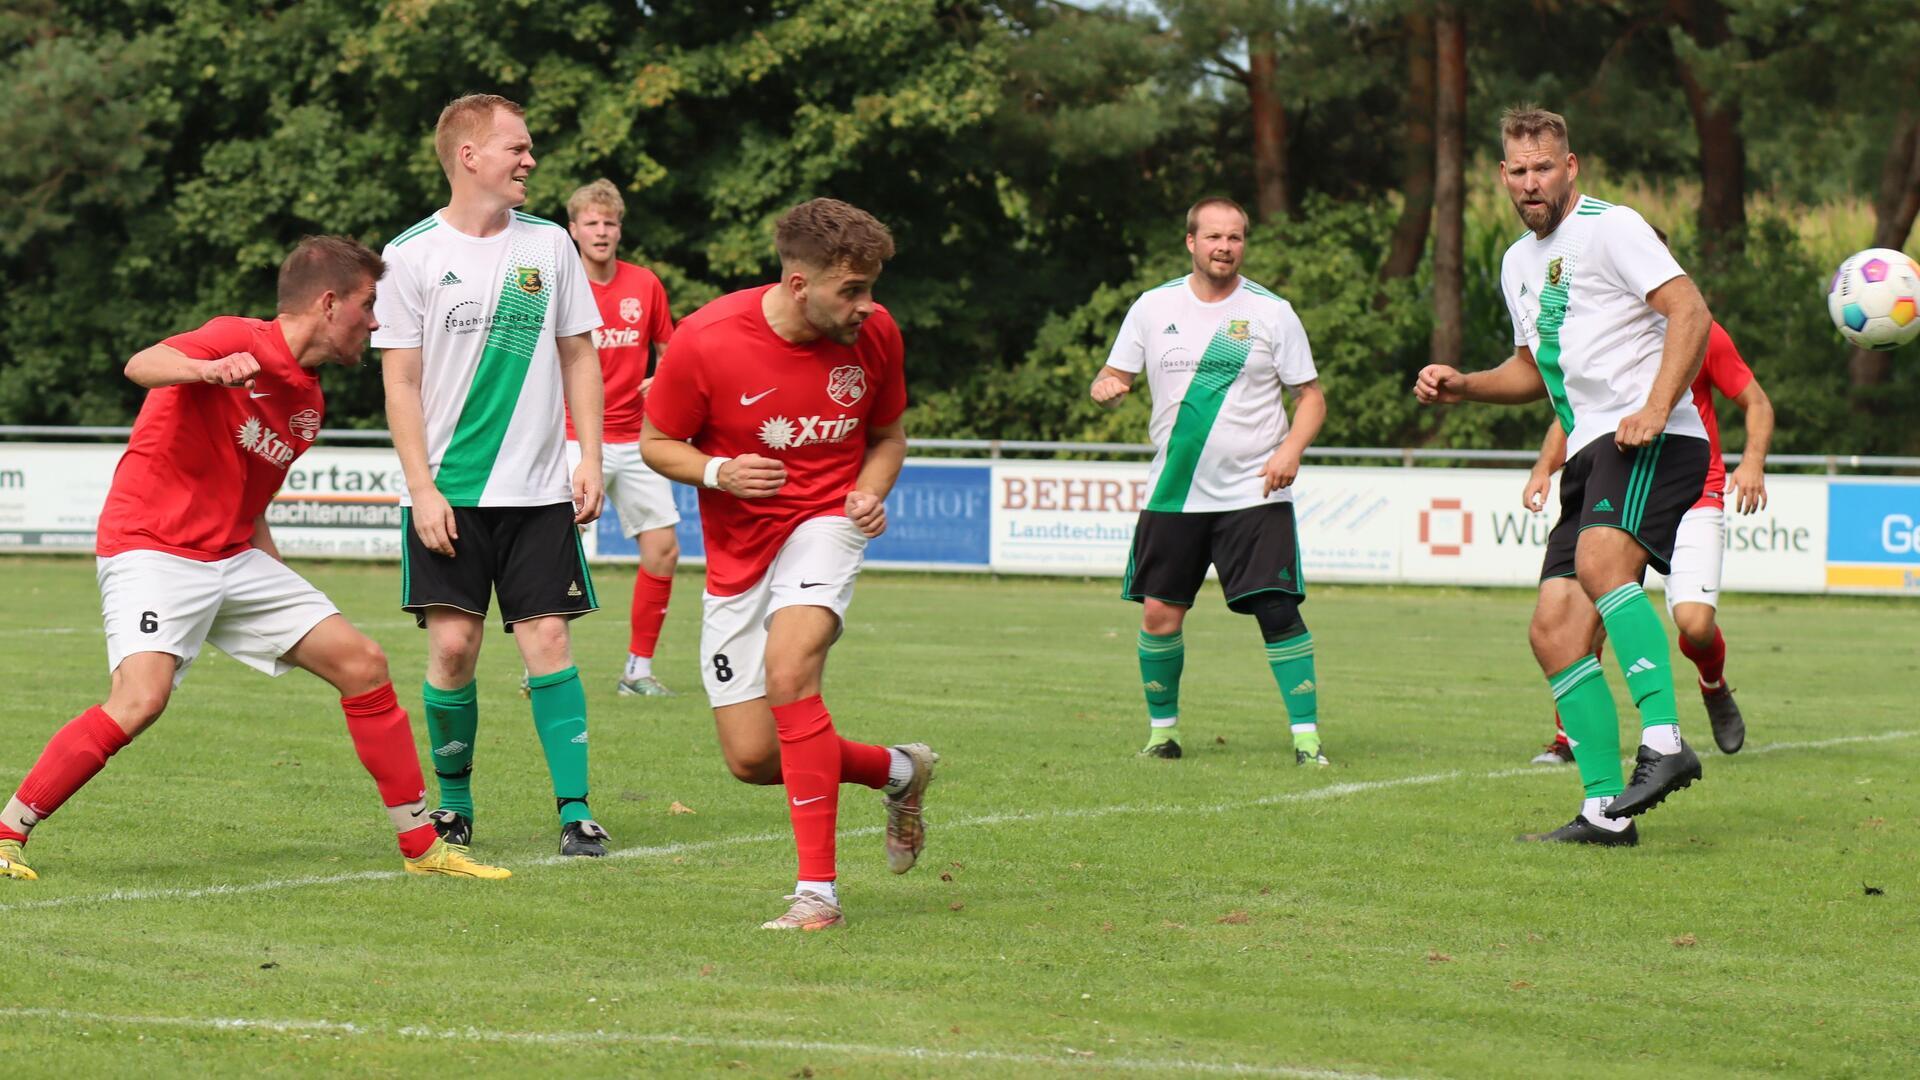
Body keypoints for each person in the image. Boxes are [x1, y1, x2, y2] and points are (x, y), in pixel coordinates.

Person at [0, 236, 507, 882]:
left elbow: (251, 498)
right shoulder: (236, 338)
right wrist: (206, 370)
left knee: (363, 663)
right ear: (329, 304)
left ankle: (422, 849)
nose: (375, 322)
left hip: (233, 556)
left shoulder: (309, 404)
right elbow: (142, 364)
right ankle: (6, 831)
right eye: (368, 304)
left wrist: (283, 588)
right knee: (139, 700)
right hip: (153, 546)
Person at [1416, 105, 1715, 846]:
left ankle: (1668, 743)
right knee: (1553, 630)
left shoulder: (1612, 228)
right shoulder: (1518, 261)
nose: (1530, 183)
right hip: (1589, 448)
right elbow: (1530, 370)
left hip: (1652, 438)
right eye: (1517, 171)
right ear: (1502, 176)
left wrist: (1653, 405)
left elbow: (1691, 311)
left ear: (1570, 166)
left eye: (1543, 167)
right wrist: (1465, 385)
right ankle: (1603, 812)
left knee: (1600, 562)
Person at [640, 197, 936, 931]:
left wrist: (868, 492)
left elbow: (889, 434)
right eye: (853, 290)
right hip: (740, 552)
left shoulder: (876, 335)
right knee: (750, 757)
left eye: (871, 287)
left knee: (790, 671)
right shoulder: (707, 339)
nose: (869, 306)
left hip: (826, 524)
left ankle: (817, 895)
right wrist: (718, 474)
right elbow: (656, 441)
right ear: (801, 285)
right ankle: (899, 770)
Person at [375, 93, 612, 858]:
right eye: (517, 147)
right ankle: (453, 807)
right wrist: (421, 489)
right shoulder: (408, 255)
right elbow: (401, 384)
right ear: (469, 155)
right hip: (451, 494)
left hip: (540, 492)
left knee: (547, 638)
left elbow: (580, 355)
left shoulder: (549, 246)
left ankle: (575, 810)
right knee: (452, 650)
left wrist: (591, 456)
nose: (530, 161)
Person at [1089, 197, 1329, 766]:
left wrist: (1291, 448)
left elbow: (1311, 397)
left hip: (1254, 491)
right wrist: (1106, 383)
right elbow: (1115, 371)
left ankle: (1307, 740)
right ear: (1191, 242)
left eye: (1236, 238)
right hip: (1174, 493)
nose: (1225, 247)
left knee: (1276, 611)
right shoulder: (1153, 307)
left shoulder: (1271, 312)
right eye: (1214, 237)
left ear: (1244, 244)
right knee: (1158, 615)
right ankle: (1162, 734)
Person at [1526, 316, 1773, 764]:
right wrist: (1545, 467)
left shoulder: (1701, 329)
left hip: (1696, 492)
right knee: (1590, 602)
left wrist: (1752, 461)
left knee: (1695, 626)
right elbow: (1572, 413)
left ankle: (1712, 684)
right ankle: (1568, 739)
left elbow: (1756, 402)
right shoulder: (1603, 329)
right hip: (1620, 483)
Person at [561, 179, 682, 697]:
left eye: (609, 223)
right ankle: (543, 665)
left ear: (619, 229)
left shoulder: (645, 285)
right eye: (591, 222)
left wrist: (666, 378)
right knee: (552, 551)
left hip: (637, 439)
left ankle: (637, 670)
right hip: (570, 436)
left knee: (663, 549)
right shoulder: (559, 284)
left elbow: (670, 349)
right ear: (574, 230)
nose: (602, 231)